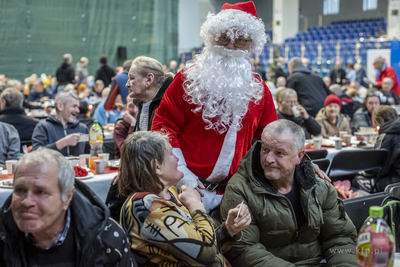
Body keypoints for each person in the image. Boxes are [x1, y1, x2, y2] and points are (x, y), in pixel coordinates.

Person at [151, 1, 278, 212]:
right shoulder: (186, 80)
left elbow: (273, 137)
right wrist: (183, 176)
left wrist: (305, 165)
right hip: (183, 191)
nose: (230, 46)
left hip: (235, 195)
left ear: (251, 44)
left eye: (240, 40)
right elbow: (162, 128)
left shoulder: (259, 90)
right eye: (224, 38)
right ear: (212, 38)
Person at [220, 120, 357, 266]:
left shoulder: (318, 186)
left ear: (299, 156)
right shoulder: (240, 188)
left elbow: (340, 237)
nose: (269, 159)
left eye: (279, 153)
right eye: (265, 149)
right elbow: (242, 250)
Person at [118, 131, 251, 266]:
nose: (177, 158)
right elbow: (206, 253)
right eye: (170, 153)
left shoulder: (171, 192)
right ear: (156, 166)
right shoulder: (145, 206)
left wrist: (228, 229)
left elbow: (195, 243)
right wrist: (196, 205)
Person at [0, 148, 136, 266]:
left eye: (40, 192)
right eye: (20, 190)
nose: (26, 202)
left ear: (67, 197)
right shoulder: (3, 235)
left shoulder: (106, 239)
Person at [32, 92, 90, 156]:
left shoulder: (82, 128)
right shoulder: (43, 127)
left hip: (78, 166)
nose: (78, 110)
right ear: (60, 106)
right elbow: (36, 154)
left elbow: (89, 153)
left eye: (78, 107)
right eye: (74, 106)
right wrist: (63, 143)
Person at [373, 106, 400, 191]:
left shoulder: (386, 136)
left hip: (393, 182)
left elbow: (378, 168)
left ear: (381, 120)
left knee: (357, 180)